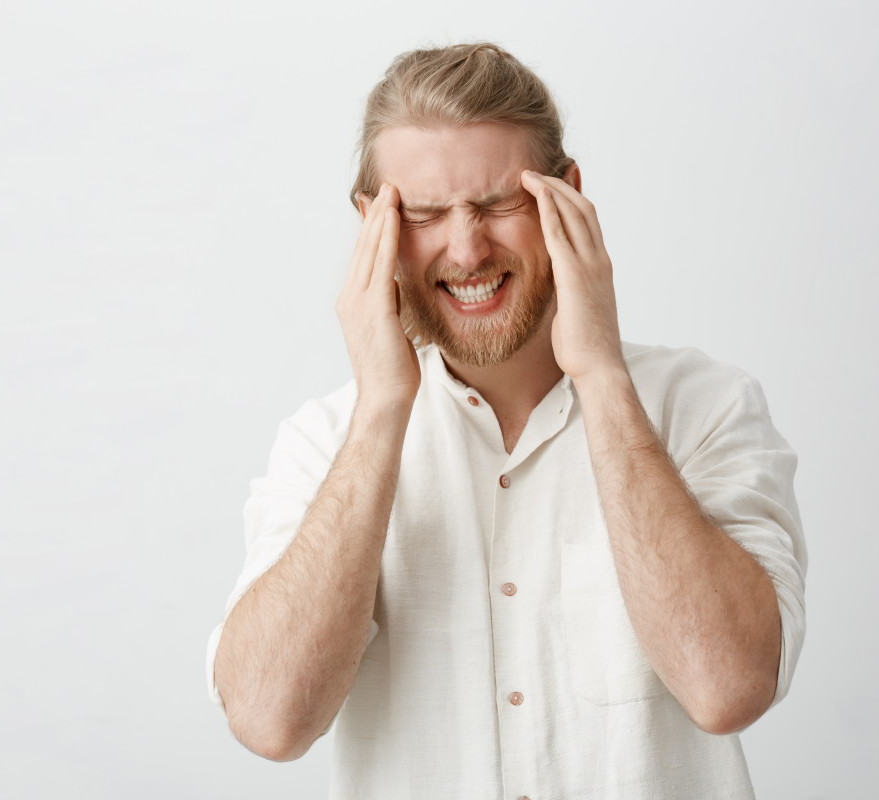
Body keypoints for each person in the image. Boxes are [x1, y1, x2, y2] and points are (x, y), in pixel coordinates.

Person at [205, 42, 806, 799]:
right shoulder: (322, 442)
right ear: (371, 227)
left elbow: (727, 689)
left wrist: (601, 375)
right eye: (422, 214)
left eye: (496, 205)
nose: (465, 248)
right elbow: (267, 720)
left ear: (569, 197)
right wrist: (382, 409)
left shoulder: (704, 407)